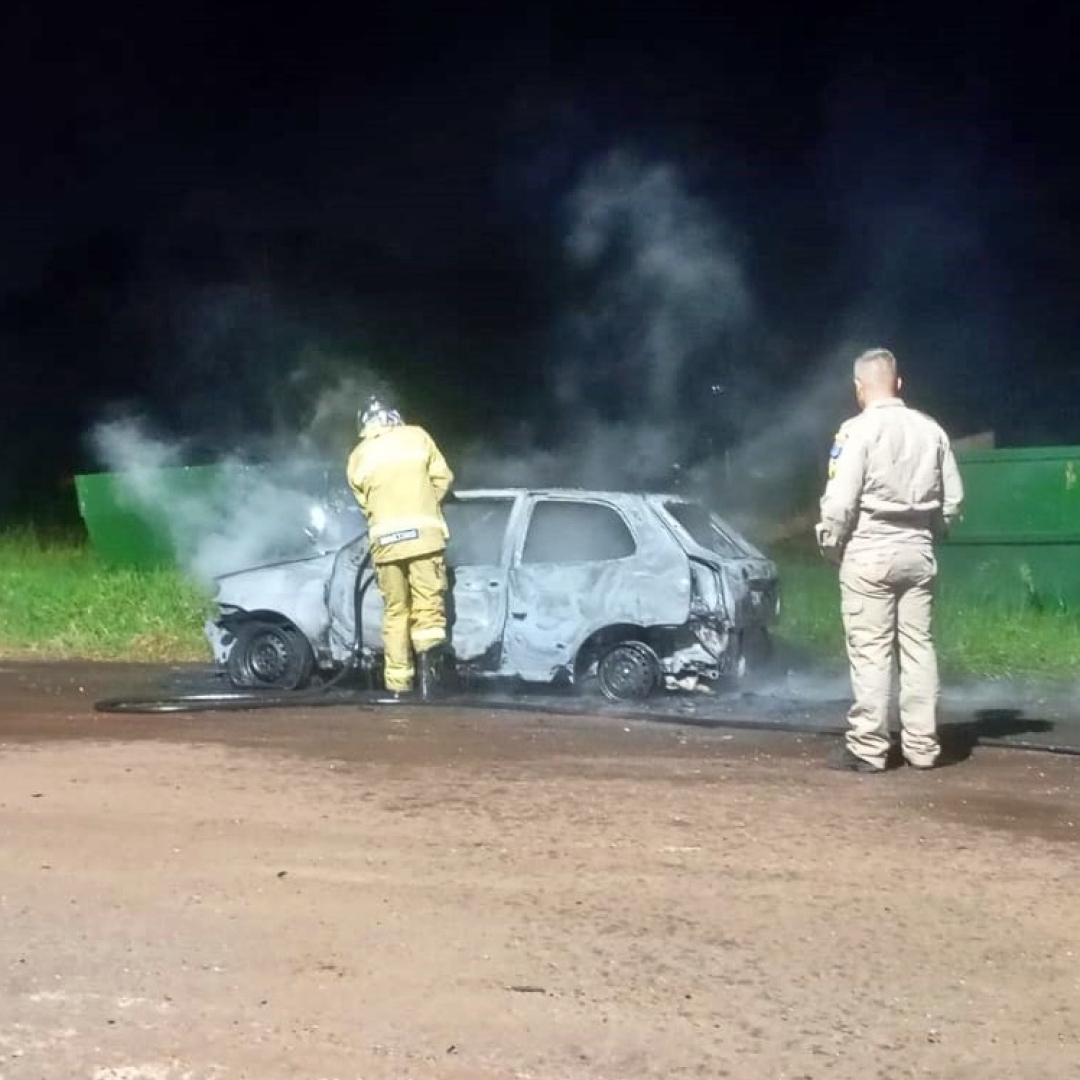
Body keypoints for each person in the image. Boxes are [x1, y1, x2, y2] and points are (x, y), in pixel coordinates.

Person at [815, 348, 964, 773]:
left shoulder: (856, 431)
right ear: (899, 384)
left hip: (869, 550)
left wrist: (831, 545)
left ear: (859, 388)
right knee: (919, 649)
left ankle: (869, 748)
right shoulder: (931, 430)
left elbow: (840, 502)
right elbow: (953, 500)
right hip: (918, 550)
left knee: (872, 651)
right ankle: (922, 747)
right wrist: (931, 531)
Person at [346, 395, 455, 700]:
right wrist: (423, 504)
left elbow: (364, 503)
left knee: (395, 612)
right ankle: (429, 686)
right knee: (428, 609)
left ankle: (397, 687)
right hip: (423, 539)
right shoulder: (417, 436)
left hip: (385, 546)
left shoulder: (359, 455)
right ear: (395, 416)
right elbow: (443, 479)